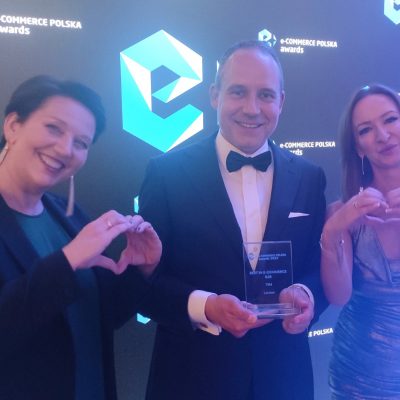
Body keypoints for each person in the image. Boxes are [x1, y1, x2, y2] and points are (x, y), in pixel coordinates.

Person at [135, 40, 327, 400]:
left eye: (265, 95)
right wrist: (206, 306)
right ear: (214, 95)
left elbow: (319, 269)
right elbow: (142, 286)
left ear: (281, 102)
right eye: (238, 92)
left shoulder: (309, 176)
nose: (252, 109)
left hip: (284, 377)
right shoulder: (166, 174)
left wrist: (306, 294)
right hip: (192, 379)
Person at [0, 75, 162, 400]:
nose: (65, 149)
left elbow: (99, 319)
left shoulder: (69, 216)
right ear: (13, 126)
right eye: (53, 128)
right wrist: (68, 260)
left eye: (81, 143)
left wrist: (140, 269)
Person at [321, 83, 400, 399]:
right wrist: (332, 232)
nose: (383, 135)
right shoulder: (342, 213)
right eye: (366, 130)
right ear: (358, 148)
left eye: (390, 120)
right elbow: (339, 296)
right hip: (359, 375)